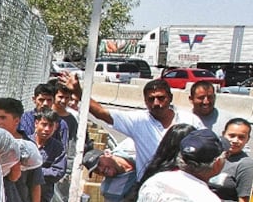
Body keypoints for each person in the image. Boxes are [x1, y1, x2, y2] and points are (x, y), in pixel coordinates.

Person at [60, 74, 200, 177]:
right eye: (151, 99)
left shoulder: (190, 120)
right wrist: (78, 92)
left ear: (170, 98)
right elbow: (103, 113)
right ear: (145, 101)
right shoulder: (138, 121)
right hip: (149, 191)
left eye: (161, 98)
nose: (156, 103)